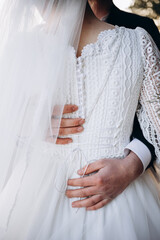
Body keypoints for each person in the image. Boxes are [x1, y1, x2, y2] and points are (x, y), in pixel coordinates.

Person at [0, 0, 160, 239]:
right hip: (43, 197)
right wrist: (28, 122)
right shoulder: (137, 43)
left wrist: (132, 164)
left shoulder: (139, 41)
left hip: (111, 191)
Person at [56, 0, 160, 210]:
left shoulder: (139, 31)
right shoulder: (36, 43)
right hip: (50, 184)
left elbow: (153, 111)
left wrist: (132, 165)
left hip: (122, 185)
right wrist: (34, 120)